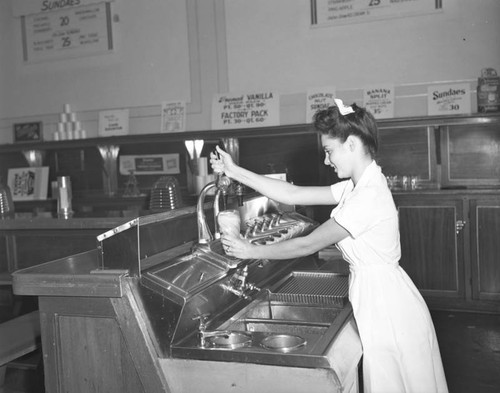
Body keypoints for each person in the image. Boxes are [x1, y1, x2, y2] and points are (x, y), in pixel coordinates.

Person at [210, 99, 448, 393]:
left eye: (329, 151)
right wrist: (235, 171)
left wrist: (251, 250)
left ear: (350, 145)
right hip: (380, 297)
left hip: (389, 308)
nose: (326, 160)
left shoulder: (368, 196)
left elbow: (307, 244)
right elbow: (291, 192)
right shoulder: (356, 186)